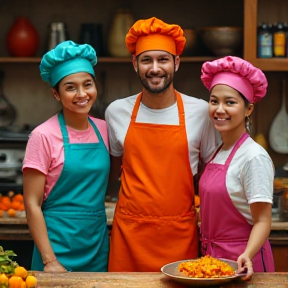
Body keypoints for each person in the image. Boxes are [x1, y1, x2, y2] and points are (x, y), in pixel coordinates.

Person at [105, 17, 220, 272]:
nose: (155, 68)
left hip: (179, 234)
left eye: (163, 59)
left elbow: (210, 176)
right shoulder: (117, 112)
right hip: (129, 236)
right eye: (146, 60)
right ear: (135, 64)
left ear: (176, 63)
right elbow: (115, 171)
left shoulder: (201, 112)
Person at [22, 41, 110, 272]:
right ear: (56, 94)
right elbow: (32, 204)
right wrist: (49, 260)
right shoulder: (42, 136)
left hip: (97, 242)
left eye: (87, 85)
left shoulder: (105, 129)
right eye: (71, 87)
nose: (82, 94)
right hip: (56, 245)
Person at [199, 55, 275, 280]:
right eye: (214, 101)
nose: (219, 109)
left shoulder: (253, 157)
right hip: (212, 261)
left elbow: (263, 220)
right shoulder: (217, 151)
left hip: (243, 264)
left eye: (230, 102)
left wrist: (247, 255)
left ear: (248, 108)